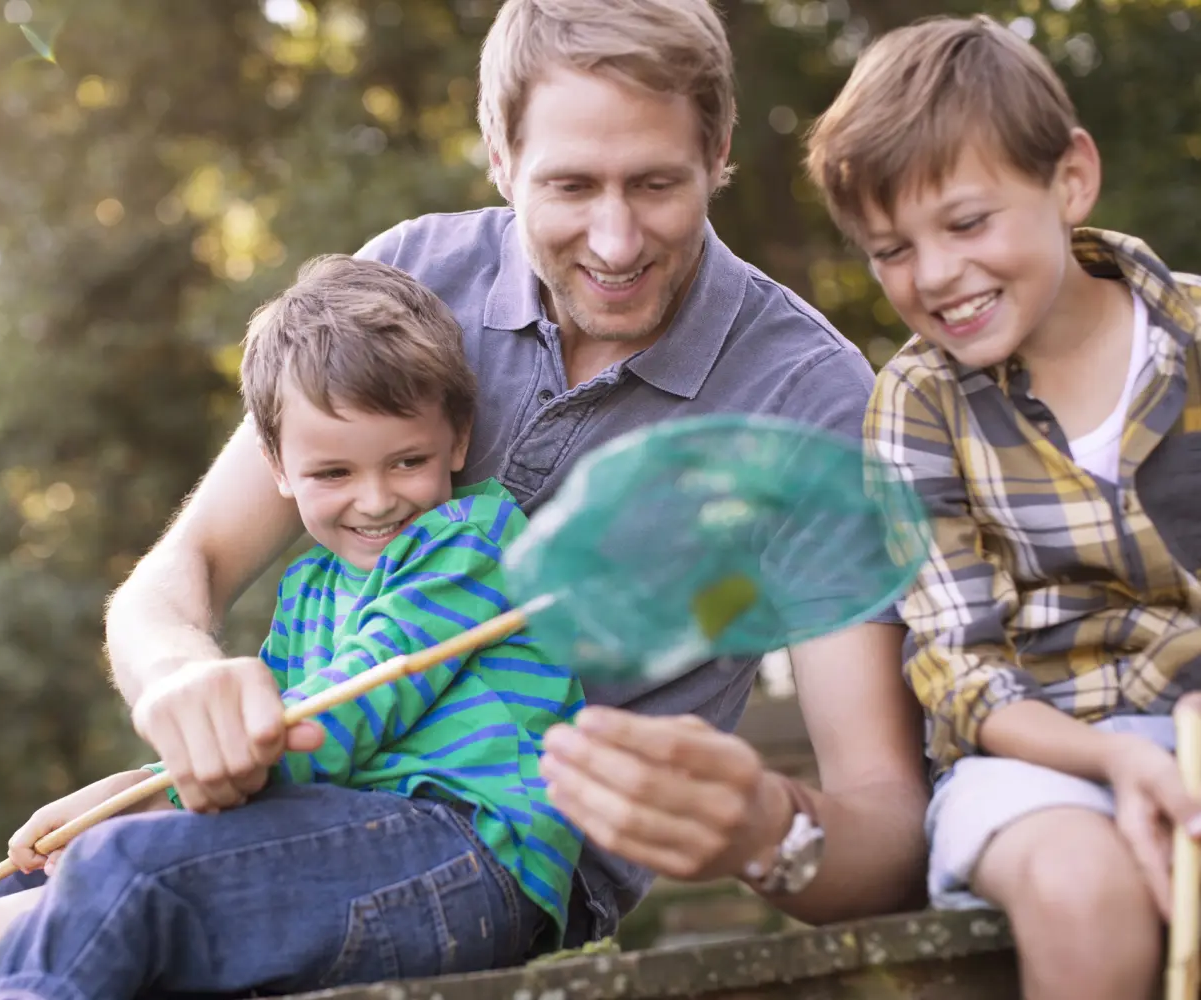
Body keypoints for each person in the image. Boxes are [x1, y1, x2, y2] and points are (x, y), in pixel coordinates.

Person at [104, 0, 931, 947]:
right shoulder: (412, 280)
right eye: (572, 187)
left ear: (718, 151)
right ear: (499, 157)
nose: (617, 244)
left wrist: (764, 826)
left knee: (104, 907)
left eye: (657, 184)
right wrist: (183, 703)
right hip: (302, 808)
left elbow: (887, 822)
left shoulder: (808, 395)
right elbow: (174, 581)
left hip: (497, 871)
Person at [0, 255, 587, 999]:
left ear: (456, 441)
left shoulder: (471, 541)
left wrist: (147, 804)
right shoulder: (309, 590)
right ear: (278, 468)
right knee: (0, 903)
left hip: (465, 857)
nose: (376, 499)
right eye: (334, 473)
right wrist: (130, 789)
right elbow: (254, 742)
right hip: (340, 844)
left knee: (126, 869)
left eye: (407, 461)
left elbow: (337, 718)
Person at [803, 14, 1201, 1000]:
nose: (935, 275)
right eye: (892, 248)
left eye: (968, 222)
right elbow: (958, 666)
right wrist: (1118, 761)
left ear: (1070, 177)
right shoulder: (917, 402)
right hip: (1039, 752)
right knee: (1080, 886)